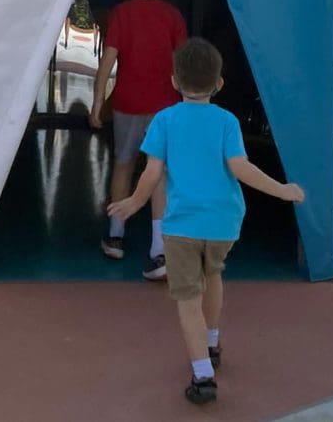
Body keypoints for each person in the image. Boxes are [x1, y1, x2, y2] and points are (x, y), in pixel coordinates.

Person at [108, 38, 305, 406]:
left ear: (173, 81)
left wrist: (133, 203)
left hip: (182, 225)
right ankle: (212, 343)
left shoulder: (164, 121)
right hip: (223, 223)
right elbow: (240, 168)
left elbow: (152, 173)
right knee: (213, 275)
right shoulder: (227, 122)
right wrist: (282, 190)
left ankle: (202, 375)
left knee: (187, 298)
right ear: (219, 84)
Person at [90, 0, 187, 280]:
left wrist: (96, 102)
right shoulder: (173, 17)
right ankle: (159, 252)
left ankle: (116, 236)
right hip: (165, 106)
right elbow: (182, 65)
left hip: (127, 104)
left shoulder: (121, 14)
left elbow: (108, 60)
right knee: (158, 173)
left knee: (123, 164)